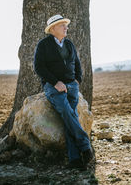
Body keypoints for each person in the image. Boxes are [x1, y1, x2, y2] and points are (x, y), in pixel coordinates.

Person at [34, 14, 93, 169]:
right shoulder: (43, 45)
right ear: (53, 28)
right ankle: (85, 147)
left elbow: (77, 64)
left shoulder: (69, 44)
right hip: (53, 87)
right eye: (62, 25)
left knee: (70, 118)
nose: (66, 27)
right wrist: (56, 82)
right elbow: (39, 67)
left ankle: (74, 160)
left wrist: (77, 80)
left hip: (72, 86)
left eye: (66, 25)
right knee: (68, 113)